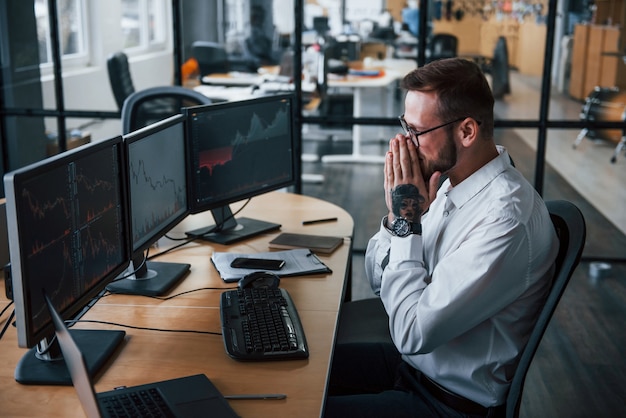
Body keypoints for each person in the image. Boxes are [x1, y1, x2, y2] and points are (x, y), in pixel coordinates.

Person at [324, 58, 559, 417]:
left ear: (466, 131)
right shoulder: (448, 183)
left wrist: (408, 219)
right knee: (292, 366)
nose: (406, 143)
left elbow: (411, 331)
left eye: (417, 131)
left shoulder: (504, 218)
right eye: (405, 125)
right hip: (413, 369)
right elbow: (378, 282)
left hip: (445, 404)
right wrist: (397, 217)